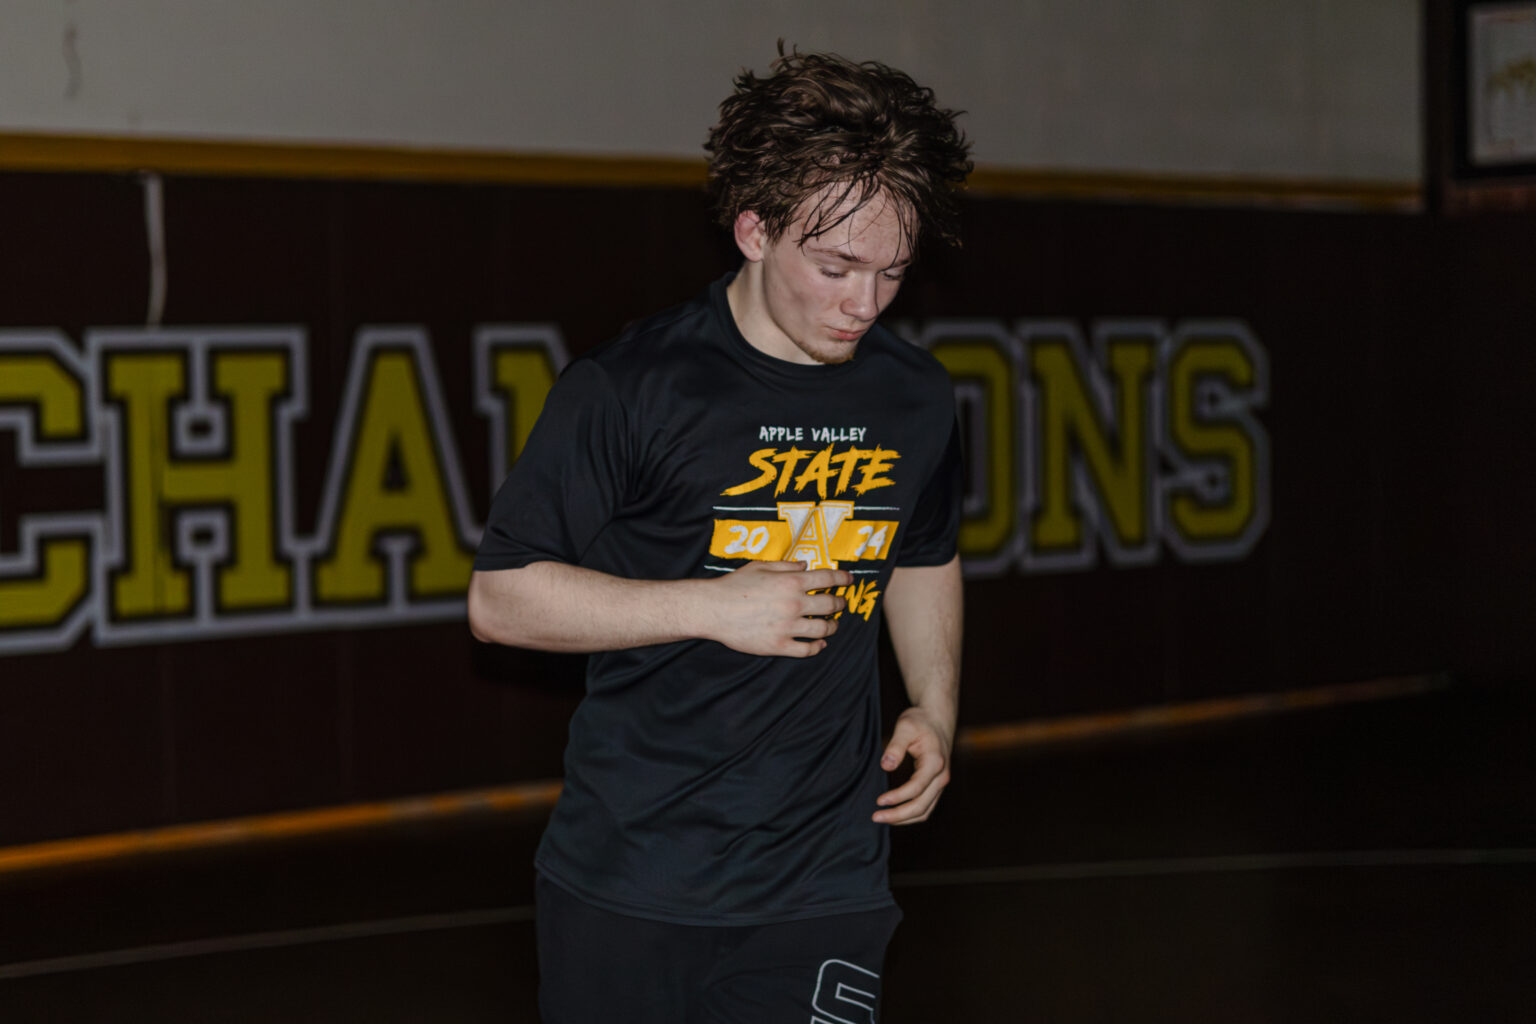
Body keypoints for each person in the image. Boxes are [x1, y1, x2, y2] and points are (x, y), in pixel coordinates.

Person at [469, 43, 971, 1022]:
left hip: (824, 880)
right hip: (631, 879)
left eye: (892, 272)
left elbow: (922, 554)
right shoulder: (631, 388)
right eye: (835, 267)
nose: (865, 304)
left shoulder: (914, 397)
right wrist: (713, 607)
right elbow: (502, 599)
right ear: (754, 229)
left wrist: (936, 708)